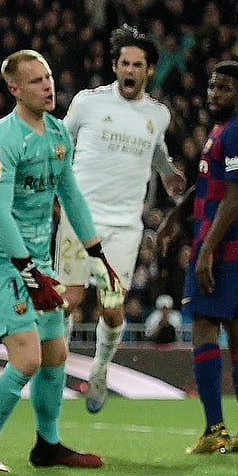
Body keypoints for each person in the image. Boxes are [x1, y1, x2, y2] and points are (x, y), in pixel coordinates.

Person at [0, 49, 122, 475]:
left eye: (48, 76)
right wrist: (28, 270)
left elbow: (70, 195)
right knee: (28, 360)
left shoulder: (57, 134)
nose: (47, 86)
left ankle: (48, 446)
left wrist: (97, 255)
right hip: (2, 262)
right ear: (14, 88)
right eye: (35, 81)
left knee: (55, 354)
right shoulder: (2, 140)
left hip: (39, 264)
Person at [55, 24, 186, 413]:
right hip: (81, 217)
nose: (130, 70)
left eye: (138, 64)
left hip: (125, 226)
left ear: (149, 71)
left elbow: (157, 152)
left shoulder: (158, 115)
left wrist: (168, 174)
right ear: (115, 66)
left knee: (112, 308)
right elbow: (60, 140)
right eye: (124, 63)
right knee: (68, 300)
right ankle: (54, 371)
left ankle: (99, 368)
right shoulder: (88, 102)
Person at [157, 60, 238, 456]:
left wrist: (205, 252)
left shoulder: (236, 131)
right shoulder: (223, 131)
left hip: (229, 246)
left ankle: (215, 428)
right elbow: (209, 186)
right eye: (212, 86)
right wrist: (173, 219)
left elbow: (233, 198)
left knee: (205, 327)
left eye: (222, 88)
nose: (213, 94)